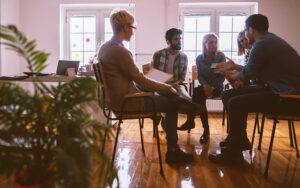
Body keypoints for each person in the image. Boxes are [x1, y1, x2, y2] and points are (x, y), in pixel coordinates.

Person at [98, 9, 201, 163]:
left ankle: (183, 102)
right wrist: (167, 87)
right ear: (125, 27)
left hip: (118, 98)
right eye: (133, 28)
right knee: (171, 104)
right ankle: (173, 150)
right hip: (127, 101)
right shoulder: (120, 51)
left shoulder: (105, 47)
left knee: (168, 95)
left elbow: (138, 79)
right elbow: (141, 80)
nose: (133, 32)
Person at [208, 14, 300, 164]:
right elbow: (254, 73)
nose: (244, 34)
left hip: (288, 96)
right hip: (279, 89)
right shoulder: (269, 40)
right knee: (227, 95)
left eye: (245, 30)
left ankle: (234, 153)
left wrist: (236, 75)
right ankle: (238, 138)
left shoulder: (262, 44)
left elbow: (249, 73)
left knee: (235, 102)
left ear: (250, 30)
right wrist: (239, 75)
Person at [178, 33, 226, 144]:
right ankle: (205, 130)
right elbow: (200, 76)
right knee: (198, 93)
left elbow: (222, 75)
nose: (214, 45)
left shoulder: (220, 56)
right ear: (204, 44)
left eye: (215, 42)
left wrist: (212, 87)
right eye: (211, 42)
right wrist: (205, 85)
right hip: (204, 86)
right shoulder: (199, 58)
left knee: (198, 94)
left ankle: (192, 121)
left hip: (217, 86)